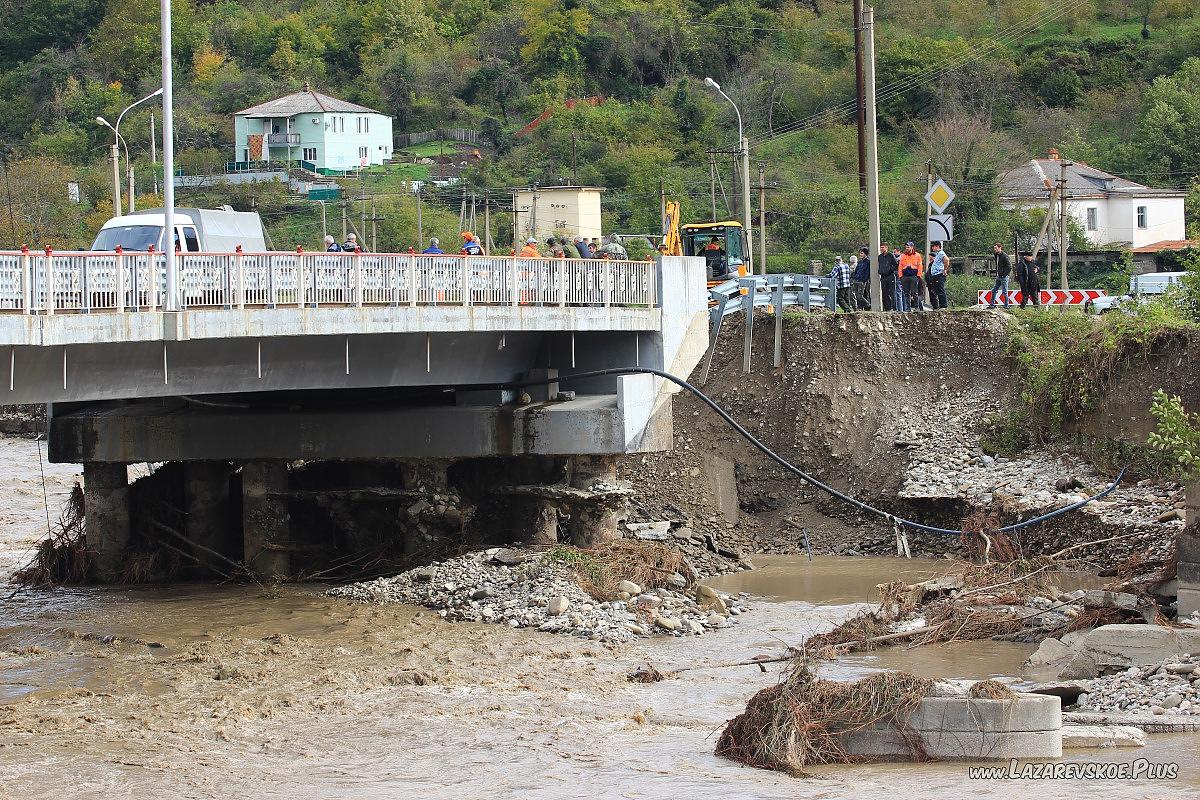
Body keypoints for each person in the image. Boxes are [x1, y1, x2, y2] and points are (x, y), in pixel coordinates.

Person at [898, 241, 924, 311]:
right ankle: (908, 308)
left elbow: (920, 266)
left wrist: (918, 276)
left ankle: (916, 307)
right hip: (905, 276)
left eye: (908, 247)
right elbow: (900, 266)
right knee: (906, 293)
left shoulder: (917, 255)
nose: (906, 248)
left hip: (914, 276)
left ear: (912, 247)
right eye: (906, 247)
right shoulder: (903, 255)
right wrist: (900, 276)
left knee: (914, 292)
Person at [926, 241, 950, 310]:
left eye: (933, 246)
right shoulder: (937, 254)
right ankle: (940, 305)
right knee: (937, 290)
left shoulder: (941, 253)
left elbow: (946, 260)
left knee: (940, 289)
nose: (932, 248)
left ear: (937, 246)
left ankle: (943, 305)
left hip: (939, 274)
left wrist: (944, 269)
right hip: (936, 275)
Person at [988, 243, 1011, 309]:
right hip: (999, 275)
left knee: (1004, 291)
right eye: (994, 248)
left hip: (1004, 276)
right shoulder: (996, 255)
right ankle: (992, 304)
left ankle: (1006, 305)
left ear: (1000, 247)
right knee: (994, 290)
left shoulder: (1005, 256)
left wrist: (1004, 274)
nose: (994, 249)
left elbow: (1009, 267)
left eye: (996, 248)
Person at [877, 242, 898, 311]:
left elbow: (896, 265)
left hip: (890, 276)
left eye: (883, 247)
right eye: (881, 247)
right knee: (884, 293)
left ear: (886, 247)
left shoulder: (890, 255)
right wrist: (880, 271)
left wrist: (889, 270)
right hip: (883, 277)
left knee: (892, 293)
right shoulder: (880, 256)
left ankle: (894, 308)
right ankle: (887, 308)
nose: (881, 249)